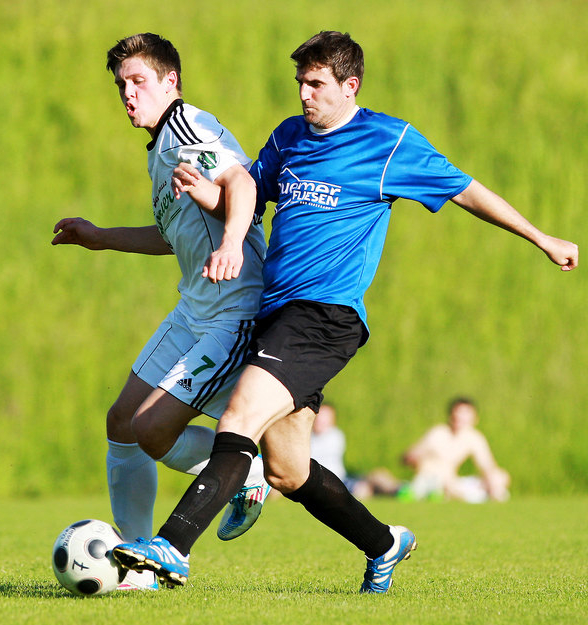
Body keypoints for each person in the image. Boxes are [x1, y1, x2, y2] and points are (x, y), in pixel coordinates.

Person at [112, 31, 578, 594]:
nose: (304, 95)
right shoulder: (288, 137)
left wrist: (540, 237)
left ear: (349, 85)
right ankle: (384, 544)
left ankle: (172, 546)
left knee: (237, 421)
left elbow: (465, 190)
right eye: (300, 83)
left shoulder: (387, 140)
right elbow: (248, 194)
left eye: (316, 84)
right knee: (289, 471)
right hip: (276, 314)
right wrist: (211, 201)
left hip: (326, 317)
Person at [51, 33, 272, 590]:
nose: (128, 93)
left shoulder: (185, 130)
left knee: (153, 433)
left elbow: (241, 182)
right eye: (121, 85)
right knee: (122, 424)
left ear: (170, 81)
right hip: (194, 306)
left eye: (139, 81)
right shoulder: (160, 146)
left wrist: (231, 244)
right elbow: (175, 234)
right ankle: (136, 564)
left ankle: (245, 470)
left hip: (231, 308)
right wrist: (101, 237)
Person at [401, 397, 510, 503]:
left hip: (451, 481)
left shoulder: (474, 437)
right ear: (451, 415)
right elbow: (411, 455)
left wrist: (493, 482)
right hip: (430, 479)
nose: (460, 417)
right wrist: (412, 458)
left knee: (499, 476)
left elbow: (487, 465)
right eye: (458, 413)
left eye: (465, 413)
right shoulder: (438, 433)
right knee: (431, 486)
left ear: (474, 418)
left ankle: (488, 497)